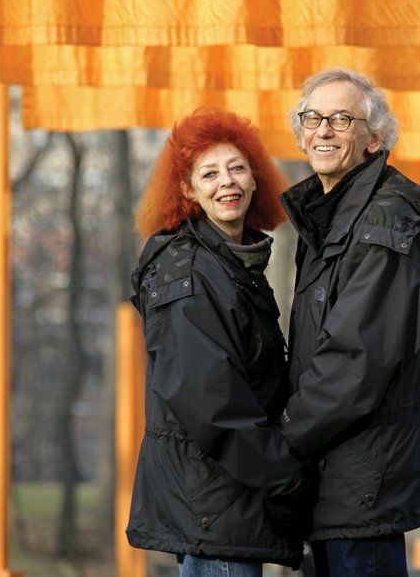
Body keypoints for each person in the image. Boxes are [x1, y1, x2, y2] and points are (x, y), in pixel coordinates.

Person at [278, 68, 420, 576]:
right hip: (336, 477)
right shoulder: (331, 214)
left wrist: (280, 443)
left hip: (364, 481)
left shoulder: (385, 217)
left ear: (375, 138)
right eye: (312, 117)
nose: (323, 130)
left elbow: (357, 360)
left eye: (341, 119)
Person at [127, 108, 306, 575]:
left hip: (233, 497)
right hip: (216, 502)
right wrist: (285, 479)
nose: (226, 182)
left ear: (255, 179)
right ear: (187, 190)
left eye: (237, 168)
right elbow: (211, 403)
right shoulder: (186, 271)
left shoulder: (232, 263)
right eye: (209, 173)